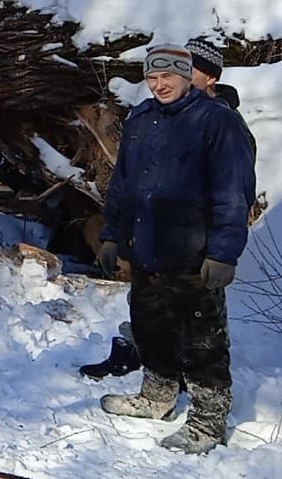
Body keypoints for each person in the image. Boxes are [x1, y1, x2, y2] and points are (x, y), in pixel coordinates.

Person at [96, 44, 256, 454]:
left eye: (168, 77)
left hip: (194, 254)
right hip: (147, 248)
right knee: (150, 327)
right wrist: (112, 234)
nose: (159, 84)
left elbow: (233, 192)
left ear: (188, 77)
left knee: (201, 340)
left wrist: (223, 252)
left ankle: (207, 421)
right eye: (152, 77)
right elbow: (124, 183)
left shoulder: (217, 121)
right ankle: (157, 396)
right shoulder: (142, 118)